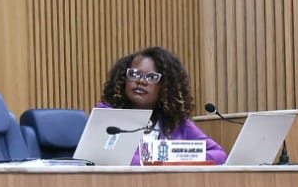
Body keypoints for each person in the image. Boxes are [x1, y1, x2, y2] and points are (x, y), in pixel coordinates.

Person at [97, 47, 226, 164]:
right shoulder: (108, 115)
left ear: (165, 86)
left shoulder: (175, 123)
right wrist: (166, 157)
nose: (141, 81)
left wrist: (176, 158)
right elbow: (108, 157)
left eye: (151, 77)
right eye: (135, 74)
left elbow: (219, 155)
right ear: (124, 79)